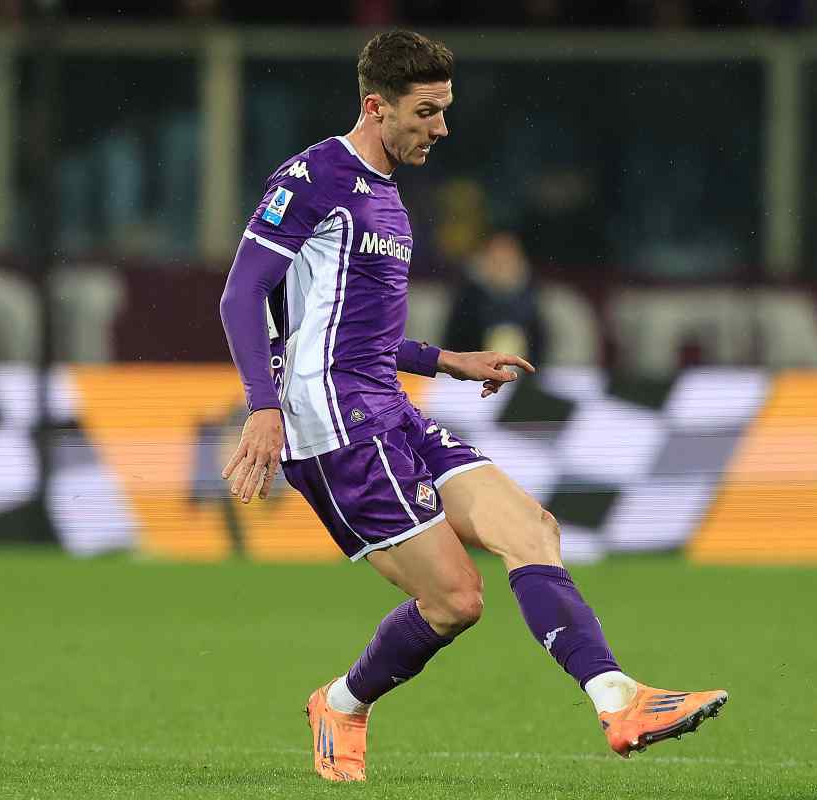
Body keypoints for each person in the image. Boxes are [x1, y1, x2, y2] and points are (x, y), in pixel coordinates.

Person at [218, 29, 727, 783]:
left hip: (388, 407)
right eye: (426, 111)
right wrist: (263, 407)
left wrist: (441, 359)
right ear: (375, 106)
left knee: (532, 526)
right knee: (456, 600)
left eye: (446, 109)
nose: (441, 128)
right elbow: (240, 295)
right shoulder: (314, 177)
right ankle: (342, 703)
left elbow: (351, 331)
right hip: (332, 429)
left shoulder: (390, 197)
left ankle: (619, 699)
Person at [443, 230, 546, 365]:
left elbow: (541, 345)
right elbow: (455, 343)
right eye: (496, 260)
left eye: (507, 260)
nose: (501, 267)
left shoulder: (535, 296)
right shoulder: (467, 297)